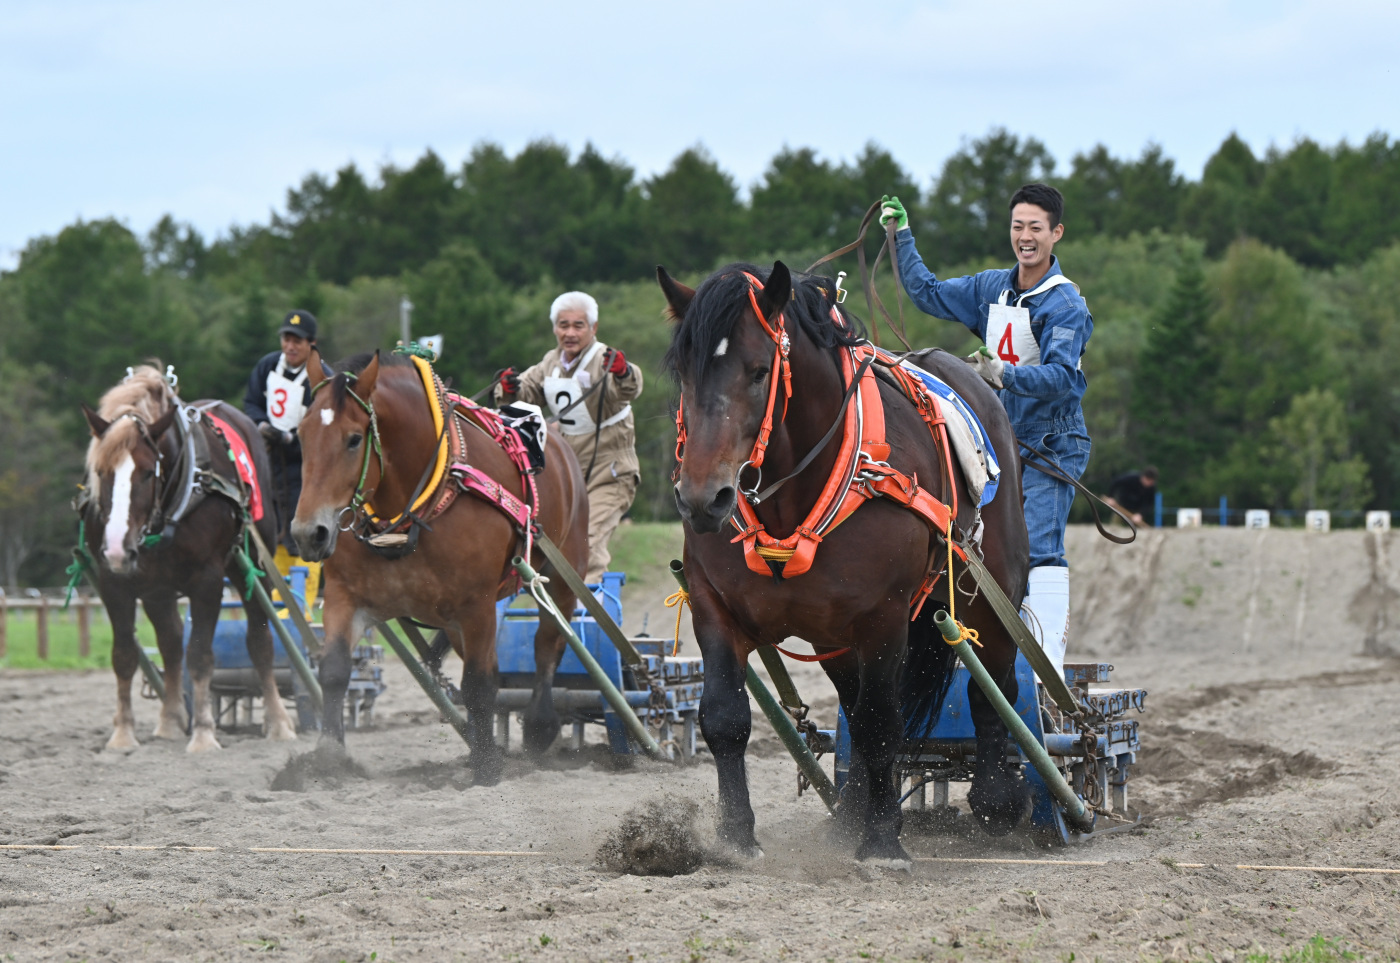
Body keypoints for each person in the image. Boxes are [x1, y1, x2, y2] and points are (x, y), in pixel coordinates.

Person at [880, 183, 1091, 682]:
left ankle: (1044, 673)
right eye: (1018, 226)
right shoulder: (990, 287)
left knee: (1037, 549)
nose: (1025, 236)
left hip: (1050, 446)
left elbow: (1066, 380)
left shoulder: (1065, 307)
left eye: (1035, 228)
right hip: (994, 444)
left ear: (1055, 234)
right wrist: (902, 235)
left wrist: (1003, 376)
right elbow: (926, 292)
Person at [497, 291, 643, 583]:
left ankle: (587, 617)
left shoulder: (604, 359)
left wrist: (624, 372)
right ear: (555, 328)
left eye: (578, 325)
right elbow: (524, 393)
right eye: (564, 325)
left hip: (610, 471)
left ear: (594, 328)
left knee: (586, 543)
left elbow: (629, 387)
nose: (570, 333)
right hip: (566, 474)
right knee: (550, 544)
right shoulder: (550, 362)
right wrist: (508, 388)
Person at [244, 309, 332, 611]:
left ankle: (301, 609)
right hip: (270, 464)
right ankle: (278, 606)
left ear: (311, 344)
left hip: (306, 468)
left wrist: (293, 439)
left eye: (297, 341)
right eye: (286, 339)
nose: (290, 347)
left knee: (302, 533)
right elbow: (252, 402)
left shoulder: (323, 376)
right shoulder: (268, 365)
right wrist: (262, 427)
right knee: (275, 531)